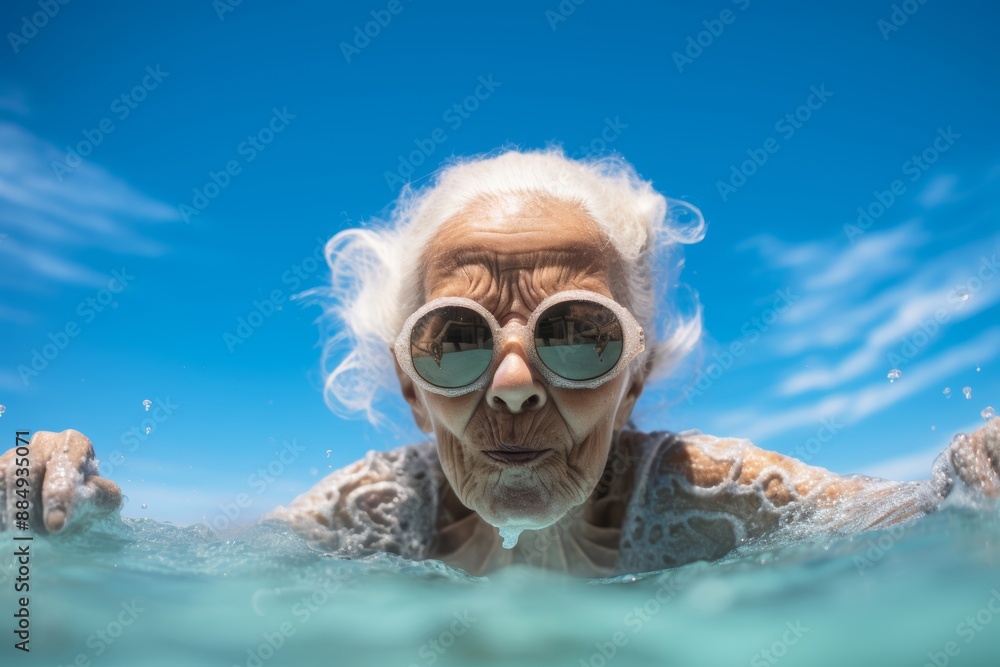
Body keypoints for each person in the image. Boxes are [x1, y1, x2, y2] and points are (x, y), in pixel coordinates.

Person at [2, 149, 997, 577]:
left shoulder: (708, 491)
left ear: (636, 374)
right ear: (407, 384)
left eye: (575, 334)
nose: (515, 384)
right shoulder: (376, 507)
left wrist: (978, 467)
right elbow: (170, 564)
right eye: (457, 342)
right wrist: (47, 502)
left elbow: (922, 510)